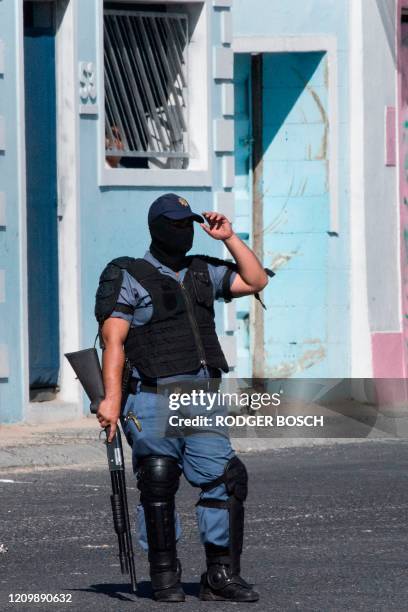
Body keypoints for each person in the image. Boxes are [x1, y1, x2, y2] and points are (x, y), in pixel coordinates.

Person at [95, 193, 268, 602]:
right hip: (152, 396)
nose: (182, 231)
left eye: (187, 223)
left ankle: (220, 576)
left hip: (201, 394)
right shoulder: (128, 274)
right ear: (156, 227)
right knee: (158, 478)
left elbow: (256, 280)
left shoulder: (203, 271)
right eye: (173, 223)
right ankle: (164, 575)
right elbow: (113, 340)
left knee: (224, 479)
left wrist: (229, 238)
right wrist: (111, 399)